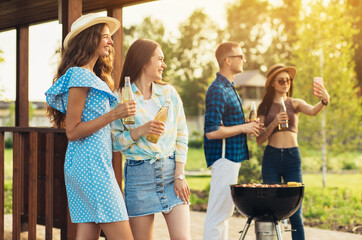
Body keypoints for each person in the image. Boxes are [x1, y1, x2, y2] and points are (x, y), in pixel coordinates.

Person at [45, 13, 136, 240]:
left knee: (88, 233)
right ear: (90, 39)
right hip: (90, 166)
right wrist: (114, 114)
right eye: (105, 36)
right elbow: (73, 131)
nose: (111, 41)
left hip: (91, 164)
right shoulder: (79, 75)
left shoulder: (91, 76)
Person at [111, 38, 191, 240]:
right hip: (139, 178)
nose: (164, 65)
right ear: (144, 61)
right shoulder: (120, 97)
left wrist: (179, 176)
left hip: (171, 173)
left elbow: (182, 135)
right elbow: (113, 142)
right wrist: (140, 131)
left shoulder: (168, 93)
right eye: (160, 59)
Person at [256, 63, 330, 240]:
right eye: (281, 80)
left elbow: (312, 111)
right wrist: (273, 123)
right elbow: (259, 140)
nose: (285, 83)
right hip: (271, 159)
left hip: (292, 158)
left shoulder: (295, 103)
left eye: (288, 80)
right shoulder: (264, 107)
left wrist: (324, 100)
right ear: (272, 83)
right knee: (270, 211)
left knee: (295, 211)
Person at [203, 41, 264, 240]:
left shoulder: (228, 87)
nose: (244, 59)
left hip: (230, 159)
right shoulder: (218, 89)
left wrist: (246, 124)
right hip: (224, 159)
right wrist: (244, 127)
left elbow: (226, 124)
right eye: (240, 56)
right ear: (227, 61)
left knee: (224, 214)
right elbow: (211, 131)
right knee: (218, 214)